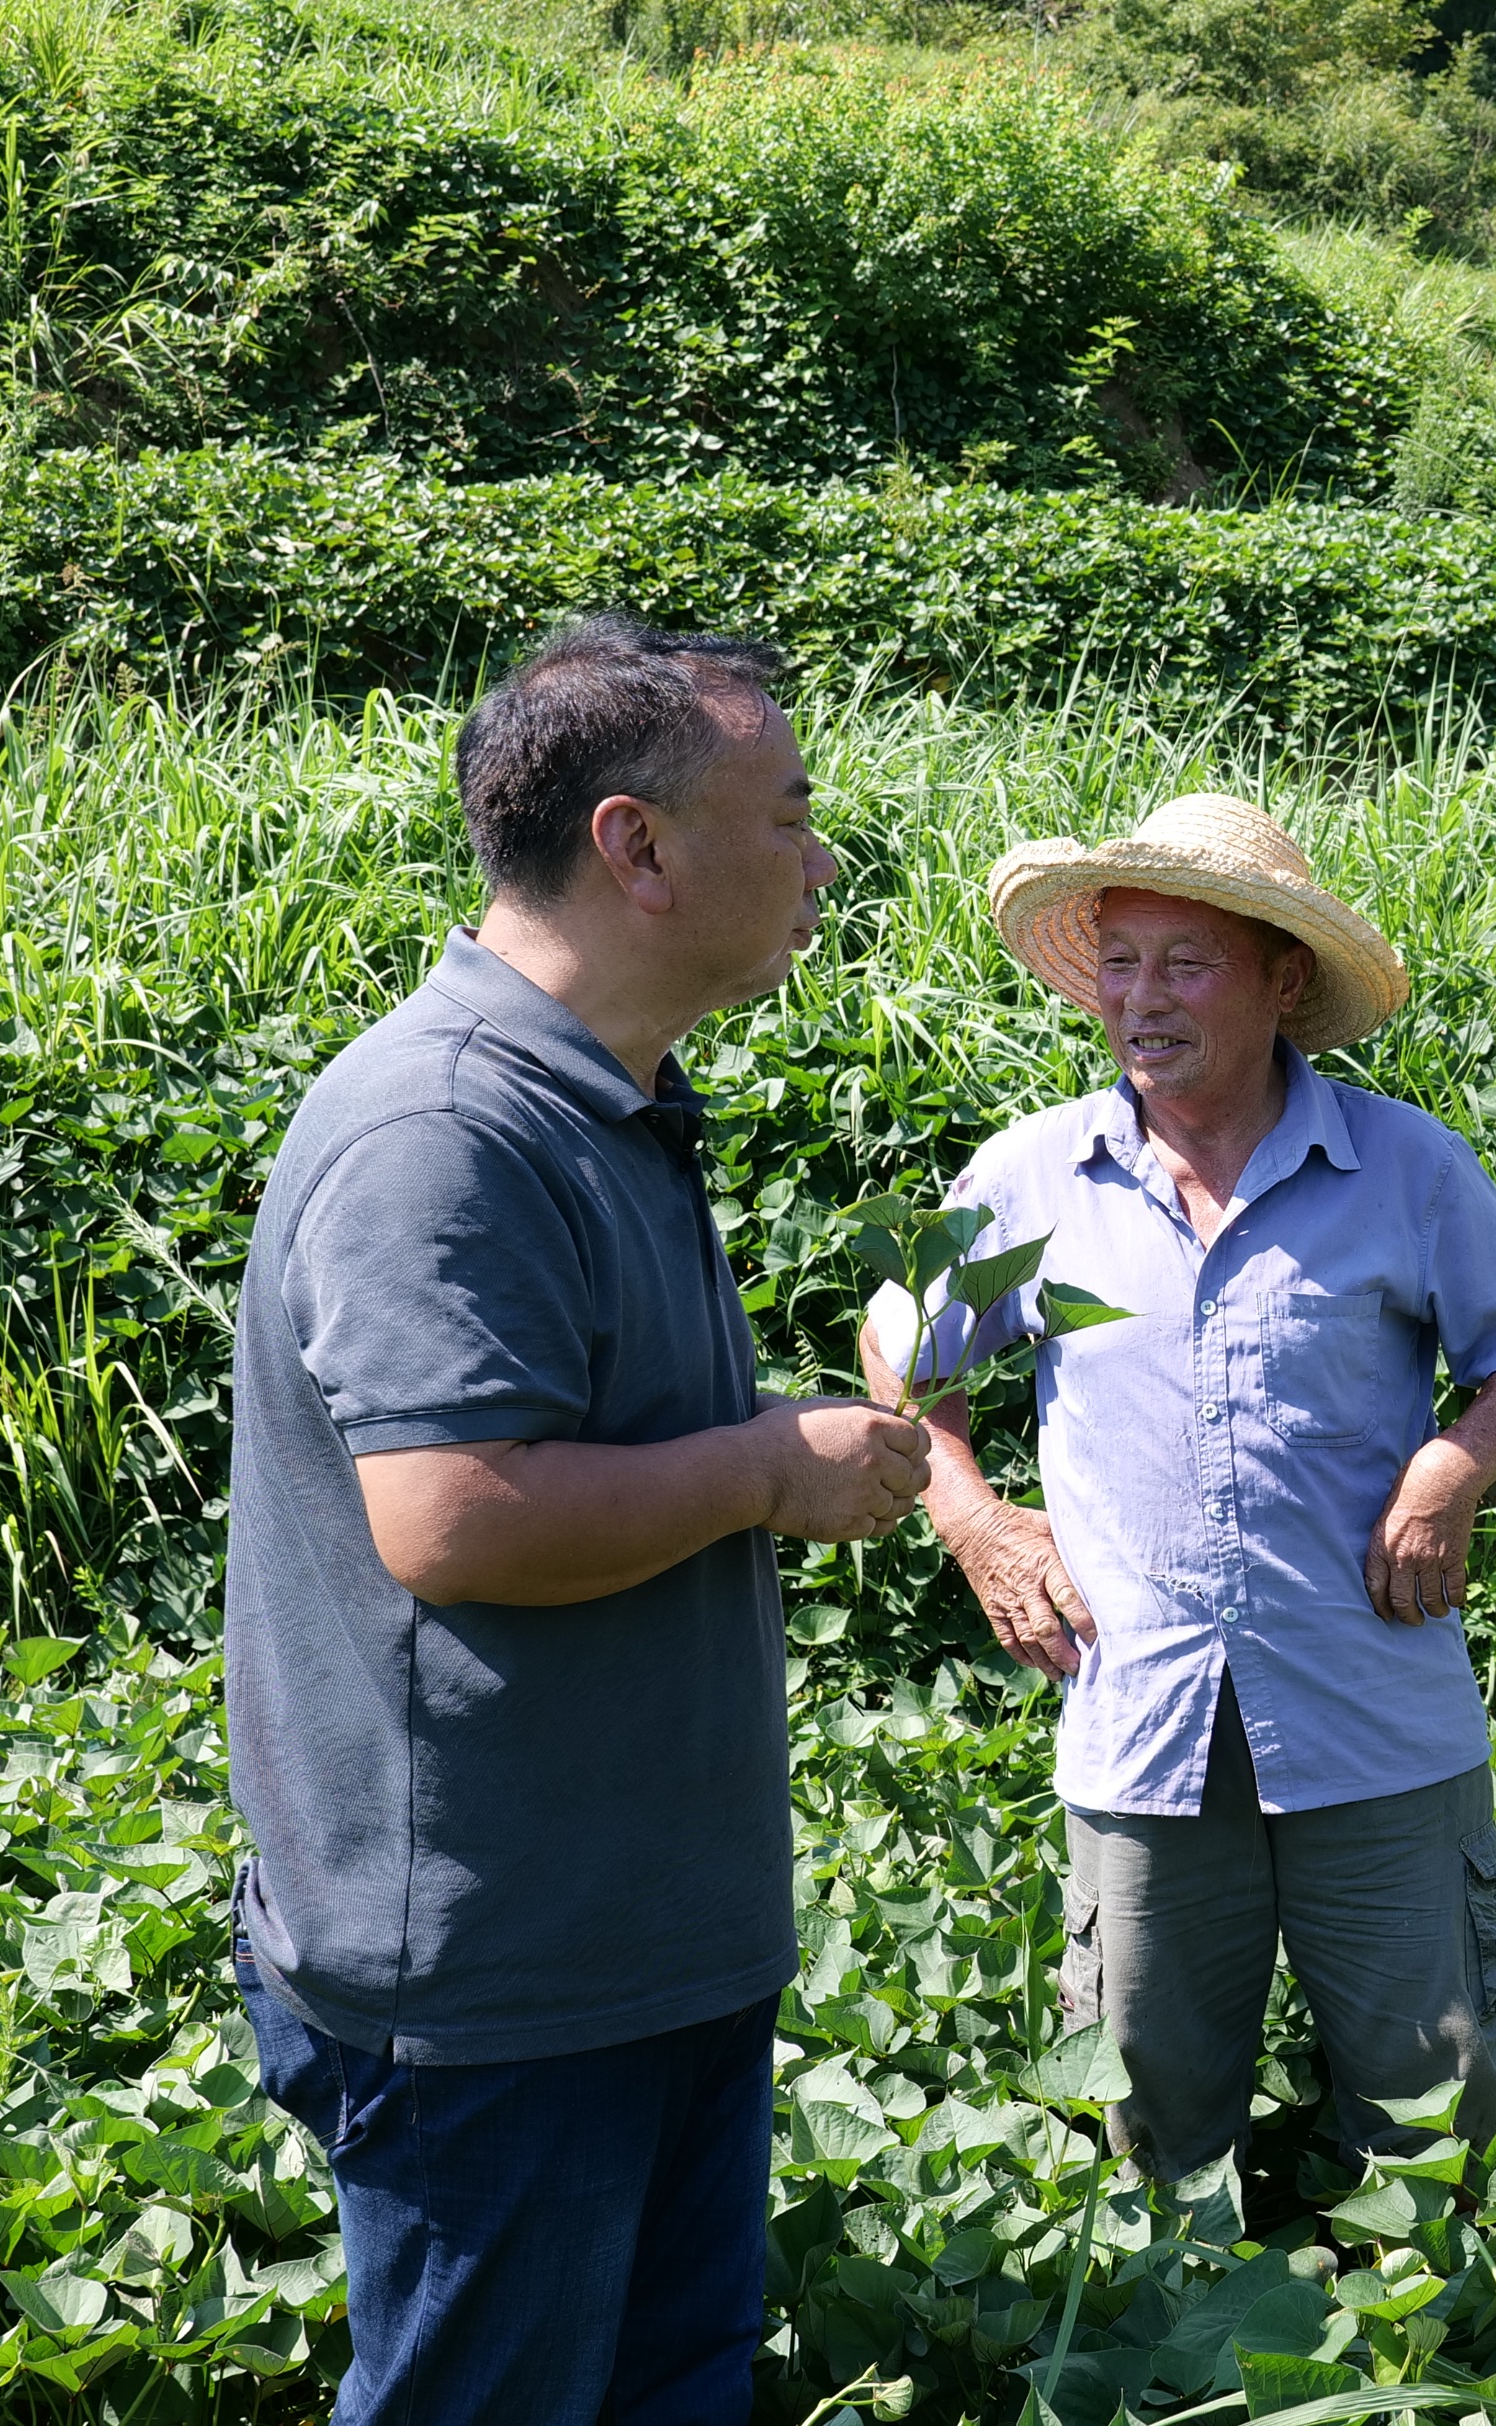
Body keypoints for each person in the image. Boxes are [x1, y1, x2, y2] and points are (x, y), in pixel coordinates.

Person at [226, 617, 930, 2426]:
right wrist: (772, 1467)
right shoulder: (445, 1132)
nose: (819, 860)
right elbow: (454, 1521)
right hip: (496, 1980)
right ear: (637, 846)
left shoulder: (606, 1104)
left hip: (635, 1948)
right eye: (788, 815)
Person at [867, 792, 1496, 2196]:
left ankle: (1424, 2363)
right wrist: (969, 1512)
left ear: (1278, 979)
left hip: (1373, 1722)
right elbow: (899, 1352)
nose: (1141, 999)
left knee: (1433, 2126)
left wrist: (1450, 1467)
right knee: (1146, 2138)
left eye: (1184, 964)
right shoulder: (1035, 1176)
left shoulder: (1406, 1166)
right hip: (1141, 1725)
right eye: (1121, 962)